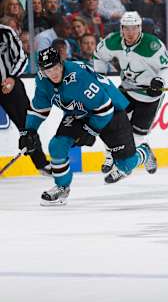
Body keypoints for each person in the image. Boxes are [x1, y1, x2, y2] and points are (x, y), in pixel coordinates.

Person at [18, 47, 157, 206]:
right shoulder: (42, 80)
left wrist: (90, 130)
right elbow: (39, 109)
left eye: (56, 68)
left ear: (61, 63)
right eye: (48, 70)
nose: (53, 73)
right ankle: (62, 187)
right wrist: (28, 131)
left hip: (111, 111)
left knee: (126, 164)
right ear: (42, 71)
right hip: (79, 113)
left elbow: (104, 108)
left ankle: (143, 152)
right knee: (57, 145)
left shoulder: (78, 76)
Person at [93, 11, 168, 176]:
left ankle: (131, 161)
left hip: (149, 96)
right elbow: (98, 55)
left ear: (140, 28)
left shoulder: (153, 45)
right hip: (126, 88)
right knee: (108, 120)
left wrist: (160, 81)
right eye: (126, 28)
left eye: (134, 28)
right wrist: (100, 77)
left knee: (136, 137)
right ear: (121, 29)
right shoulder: (112, 41)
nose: (130, 32)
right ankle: (111, 155)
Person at [0, 24, 51, 175]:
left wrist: (12, 77)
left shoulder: (5, 32)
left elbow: (22, 57)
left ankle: (41, 163)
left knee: (27, 123)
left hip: (9, 85)